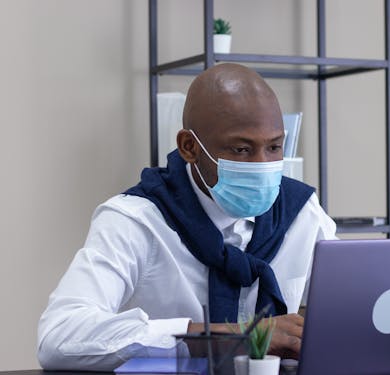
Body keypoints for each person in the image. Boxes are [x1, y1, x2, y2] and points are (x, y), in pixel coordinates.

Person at [37, 63, 337, 370]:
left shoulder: (302, 214)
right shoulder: (136, 220)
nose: (262, 164)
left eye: (274, 147)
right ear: (189, 147)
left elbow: (351, 315)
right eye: (242, 149)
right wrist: (227, 337)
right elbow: (58, 337)